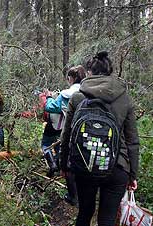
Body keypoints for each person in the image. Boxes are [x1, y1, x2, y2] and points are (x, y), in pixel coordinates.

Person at [60, 51, 139, 226]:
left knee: (85, 213)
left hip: (84, 163)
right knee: (107, 219)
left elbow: (67, 135)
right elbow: (132, 140)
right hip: (118, 166)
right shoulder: (124, 98)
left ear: (89, 73)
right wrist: (132, 174)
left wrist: (64, 164)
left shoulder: (77, 96)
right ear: (110, 72)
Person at [42, 66, 86, 181]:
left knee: (47, 143)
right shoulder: (89, 92)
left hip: (64, 126)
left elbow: (50, 107)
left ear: (72, 78)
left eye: (69, 77)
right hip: (83, 130)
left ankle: (54, 164)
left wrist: (49, 97)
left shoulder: (66, 94)